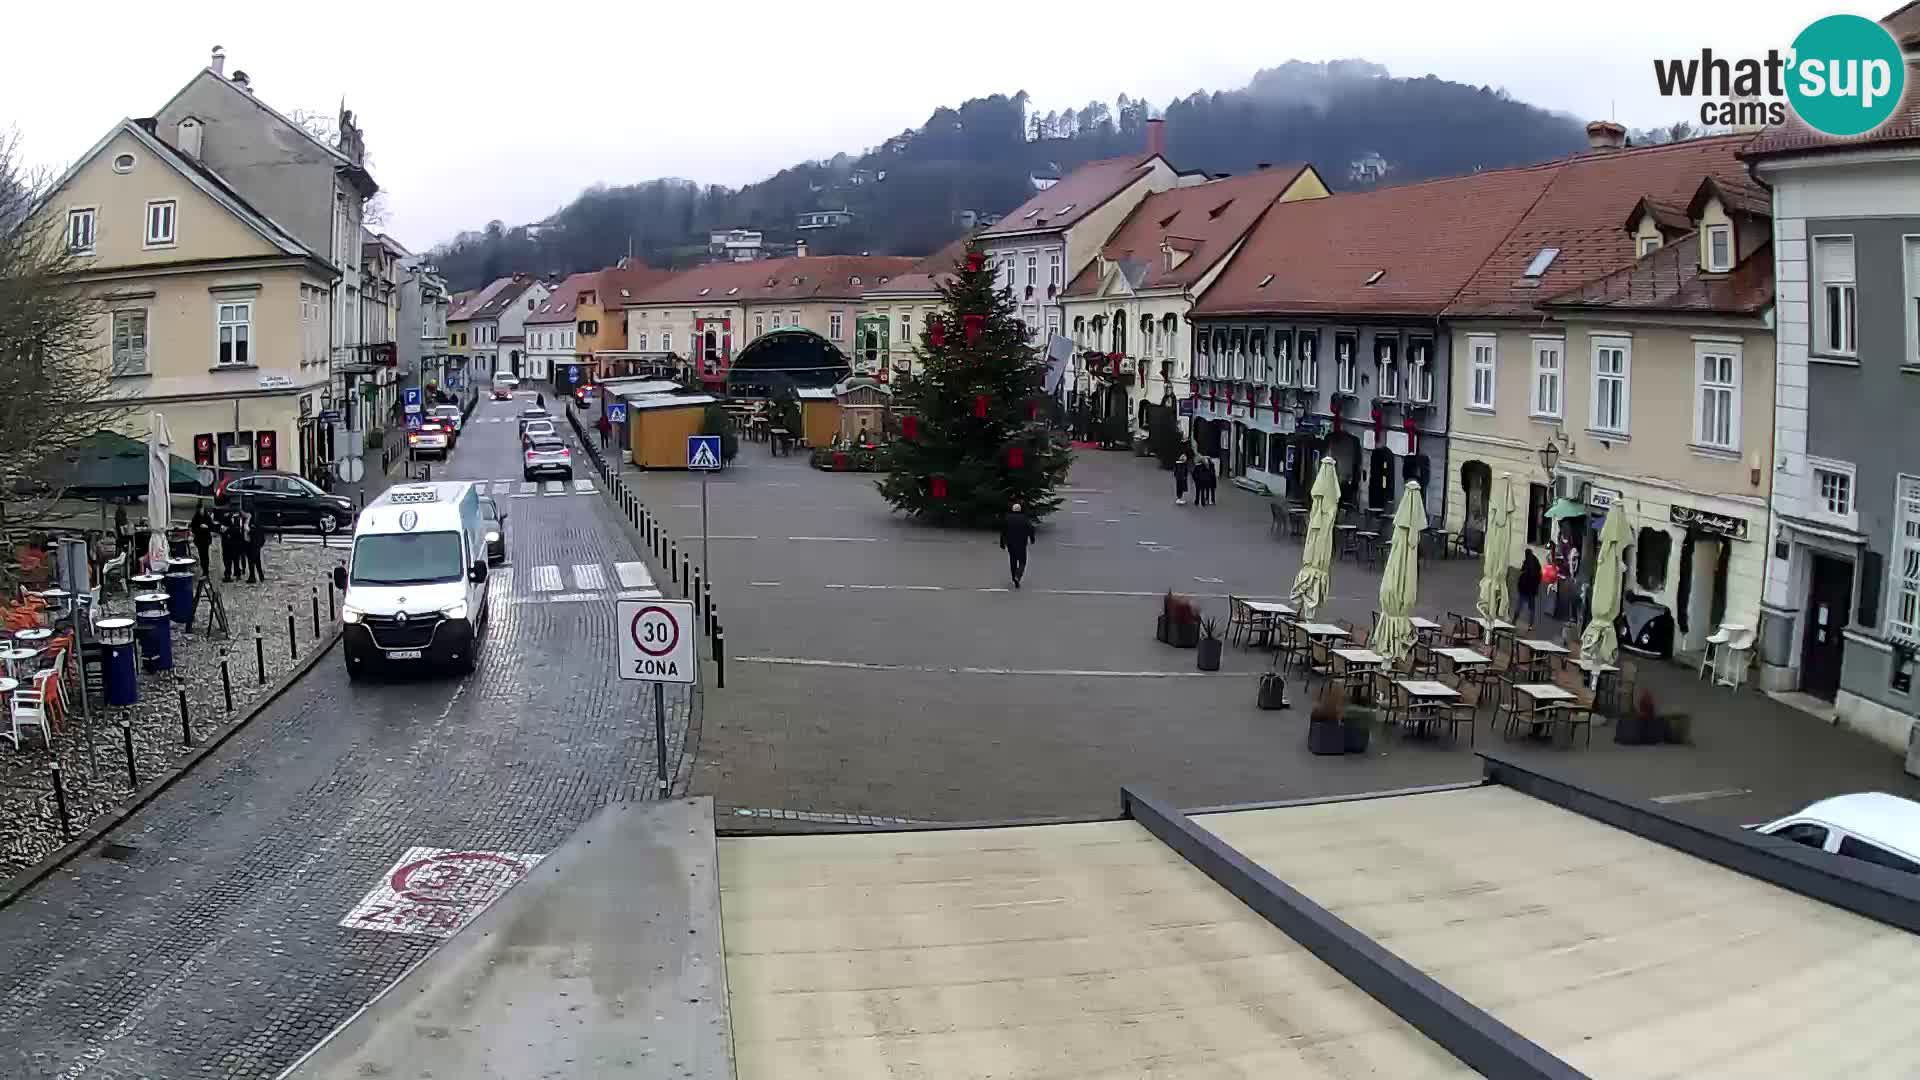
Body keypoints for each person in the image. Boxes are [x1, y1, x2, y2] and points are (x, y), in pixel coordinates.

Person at [999, 502, 1037, 589]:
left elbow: (1003, 531)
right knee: (1022, 561)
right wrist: (1032, 539)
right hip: (1021, 543)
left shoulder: (1007, 518)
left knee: (1013, 560)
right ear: (1020, 510)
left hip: (1010, 543)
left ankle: (1013, 577)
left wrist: (1002, 542)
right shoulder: (1024, 518)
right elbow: (1030, 529)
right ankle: (1018, 575)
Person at [1515, 548, 1543, 630]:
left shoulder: (1527, 562)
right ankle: (1530, 625)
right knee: (1531, 609)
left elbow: (1522, 570)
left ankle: (1514, 619)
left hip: (1525, 589)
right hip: (1532, 590)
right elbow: (1539, 575)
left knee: (1519, 605)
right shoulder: (1536, 562)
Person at [190, 506, 215, 577]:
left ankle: (206, 571)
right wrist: (199, 528)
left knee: (205, 555)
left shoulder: (207, 517)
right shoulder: (196, 517)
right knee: (201, 555)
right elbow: (193, 528)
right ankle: (204, 569)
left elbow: (211, 527)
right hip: (199, 539)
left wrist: (206, 527)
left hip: (206, 539)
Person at [244, 510, 267, 584]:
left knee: (253, 561)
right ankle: (259, 576)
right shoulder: (251, 522)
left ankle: (253, 576)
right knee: (256, 561)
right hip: (250, 544)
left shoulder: (254, 523)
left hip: (253, 544)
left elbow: (256, 533)